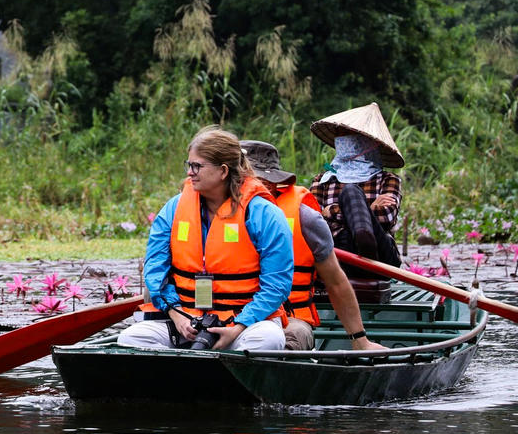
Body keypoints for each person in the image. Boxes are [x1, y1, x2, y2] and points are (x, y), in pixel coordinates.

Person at [119, 126, 291, 352]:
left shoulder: (264, 215)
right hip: (185, 321)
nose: (190, 172)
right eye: (189, 165)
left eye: (197, 166)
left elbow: (277, 285)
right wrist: (176, 314)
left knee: (268, 339)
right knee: (131, 338)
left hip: (244, 325)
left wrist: (237, 327)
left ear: (222, 171)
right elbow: (155, 269)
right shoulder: (173, 209)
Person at [240, 139, 387, 352]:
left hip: (290, 318)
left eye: (253, 180)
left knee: (287, 338)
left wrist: (359, 339)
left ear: (271, 183)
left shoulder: (305, 216)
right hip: (229, 313)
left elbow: (335, 281)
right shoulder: (210, 212)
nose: (245, 188)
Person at [308, 102, 403, 267]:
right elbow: (313, 222)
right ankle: (360, 240)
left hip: (381, 256)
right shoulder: (323, 180)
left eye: (348, 136)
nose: (341, 141)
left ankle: (365, 242)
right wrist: (370, 208)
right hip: (338, 251)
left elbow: (386, 217)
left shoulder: (388, 179)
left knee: (351, 191)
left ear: (366, 142)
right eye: (340, 136)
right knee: (345, 227)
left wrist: (330, 210)